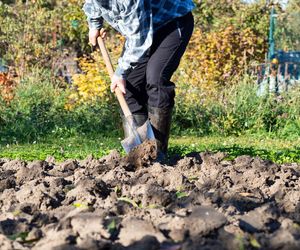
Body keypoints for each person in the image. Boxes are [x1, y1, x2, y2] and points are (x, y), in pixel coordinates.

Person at [83, 0, 195, 160]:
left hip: (171, 24)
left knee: (156, 79)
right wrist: (94, 25)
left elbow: (138, 39)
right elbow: (92, 4)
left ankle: (158, 153)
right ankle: (139, 154)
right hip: (144, 30)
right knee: (127, 87)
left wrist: (120, 73)